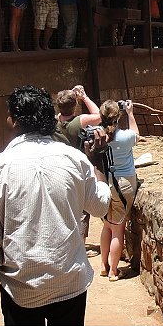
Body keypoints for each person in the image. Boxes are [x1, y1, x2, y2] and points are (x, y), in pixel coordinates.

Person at [0, 85, 111, 326]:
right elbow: (100, 207)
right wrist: (96, 161)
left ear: (14, 121)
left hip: (21, 288)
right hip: (70, 282)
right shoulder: (76, 160)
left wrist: (2, 264)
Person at [55, 84, 103, 254]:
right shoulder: (79, 121)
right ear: (74, 105)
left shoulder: (54, 122)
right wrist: (84, 97)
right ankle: (80, 248)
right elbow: (99, 115)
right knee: (82, 209)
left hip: (58, 170)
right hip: (77, 169)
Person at [97, 99, 140, 282]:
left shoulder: (98, 136)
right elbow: (136, 135)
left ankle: (103, 265)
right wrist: (130, 113)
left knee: (107, 225)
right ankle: (114, 271)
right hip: (123, 184)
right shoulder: (124, 137)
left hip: (104, 183)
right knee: (118, 229)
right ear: (118, 116)